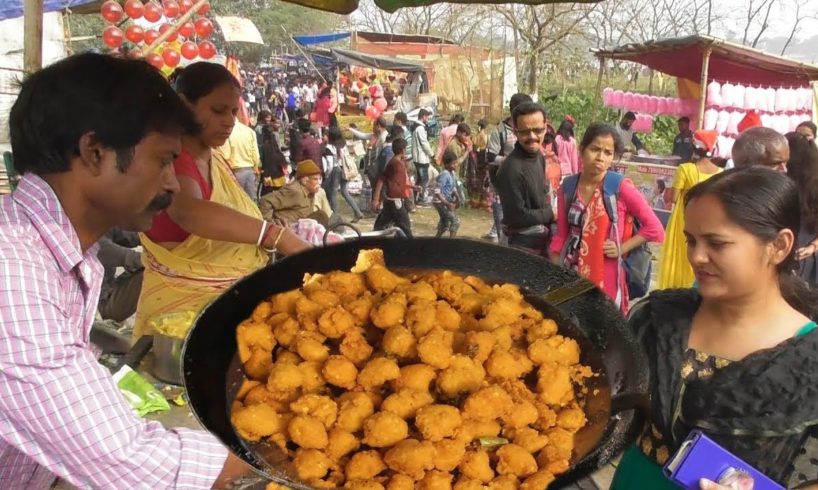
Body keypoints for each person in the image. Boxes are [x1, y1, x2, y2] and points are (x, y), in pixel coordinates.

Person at [0, 52, 250, 489]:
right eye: (162, 160)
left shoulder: (58, 252)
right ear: (94, 152)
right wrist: (277, 454)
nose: (172, 183)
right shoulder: (13, 272)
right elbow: (132, 461)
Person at [610, 167, 818, 490]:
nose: (697, 256)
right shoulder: (657, 318)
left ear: (779, 245)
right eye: (691, 241)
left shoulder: (808, 358)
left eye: (717, 244)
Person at [136, 62, 309, 341]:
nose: (229, 121)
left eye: (232, 111)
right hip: (179, 321)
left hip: (225, 311)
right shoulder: (174, 160)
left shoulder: (212, 157)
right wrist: (274, 236)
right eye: (218, 111)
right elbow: (188, 212)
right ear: (183, 105)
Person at [549, 123, 664, 311]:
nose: (600, 157)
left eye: (608, 152)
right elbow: (561, 235)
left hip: (606, 274)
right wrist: (556, 272)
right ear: (582, 150)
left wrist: (621, 248)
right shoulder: (568, 187)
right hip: (571, 271)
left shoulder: (620, 187)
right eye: (594, 149)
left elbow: (654, 228)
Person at [657, 130, 722, 289]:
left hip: (683, 219)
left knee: (681, 254)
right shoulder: (720, 173)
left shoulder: (685, 169)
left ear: (694, 148)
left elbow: (673, 198)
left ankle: (677, 287)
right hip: (709, 221)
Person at [494, 102, 555, 255]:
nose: (532, 137)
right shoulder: (510, 169)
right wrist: (551, 214)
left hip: (540, 239)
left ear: (545, 126)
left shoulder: (539, 157)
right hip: (520, 245)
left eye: (537, 130)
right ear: (515, 131)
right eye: (525, 132)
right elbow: (516, 217)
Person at [485, 93, 533, 243]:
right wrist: (509, 161)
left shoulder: (530, 130)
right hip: (503, 188)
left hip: (525, 188)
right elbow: (489, 157)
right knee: (504, 231)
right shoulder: (500, 131)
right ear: (514, 111)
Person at [786, 132, 818, 288]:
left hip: (789, 256)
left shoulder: (781, 184)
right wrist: (813, 247)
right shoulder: (814, 185)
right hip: (808, 257)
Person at [259, 160, 332, 225]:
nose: (319, 182)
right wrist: (270, 223)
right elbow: (265, 201)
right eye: (315, 179)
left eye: (320, 179)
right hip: (287, 230)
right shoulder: (295, 191)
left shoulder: (311, 191)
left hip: (301, 226)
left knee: (321, 216)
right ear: (305, 181)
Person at [97, 229, 143, 322]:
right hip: (97, 304)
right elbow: (100, 247)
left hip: (109, 289)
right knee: (154, 269)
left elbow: (128, 235)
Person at [372, 138, 414, 238]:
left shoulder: (397, 162)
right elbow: (382, 179)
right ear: (403, 150)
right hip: (395, 202)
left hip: (391, 201)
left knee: (381, 226)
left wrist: (412, 187)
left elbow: (396, 182)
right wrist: (375, 199)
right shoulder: (396, 164)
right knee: (405, 227)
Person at [323, 127, 363, 222]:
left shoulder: (329, 147)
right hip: (345, 169)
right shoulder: (343, 144)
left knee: (333, 194)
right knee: (344, 191)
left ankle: (335, 217)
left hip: (336, 171)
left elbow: (329, 165)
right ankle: (358, 212)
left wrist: (326, 175)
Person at [214, 119, 260, 200]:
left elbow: (225, 155)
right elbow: (256, 154)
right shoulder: (249, 131)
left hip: (235, 172)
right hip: (250, 170)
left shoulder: (227, 132)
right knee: (250, 202)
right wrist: (255, 168)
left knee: (236, 201)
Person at [434, 151, 461, 238]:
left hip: (445, 201)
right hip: (440, 202)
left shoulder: (452, 173)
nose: (456, 165)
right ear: (446, 165)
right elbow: (437, 191)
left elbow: (452, 187)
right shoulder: (444, 174)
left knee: (444, 223)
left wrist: (457, 197)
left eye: (456, 163)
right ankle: (451, 243)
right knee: (455, 221)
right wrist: (447, 203)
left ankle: (436, 241)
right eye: (453, 163)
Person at [259, 118, 287, 194]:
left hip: (269, 176)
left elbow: (264, 162)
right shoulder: (274, 145)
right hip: (278, 175)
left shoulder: (264, 146)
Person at [412, 108, 434, 205]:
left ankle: (413, 198)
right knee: (424, 179)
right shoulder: (420, 128)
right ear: (423, 116)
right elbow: (424, 144)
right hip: (421, 158)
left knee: (419, 180)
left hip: (418, 157)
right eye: (427, 117)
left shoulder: (417, 127)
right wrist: (432, 154)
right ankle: (421, 198)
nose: (428, 120)